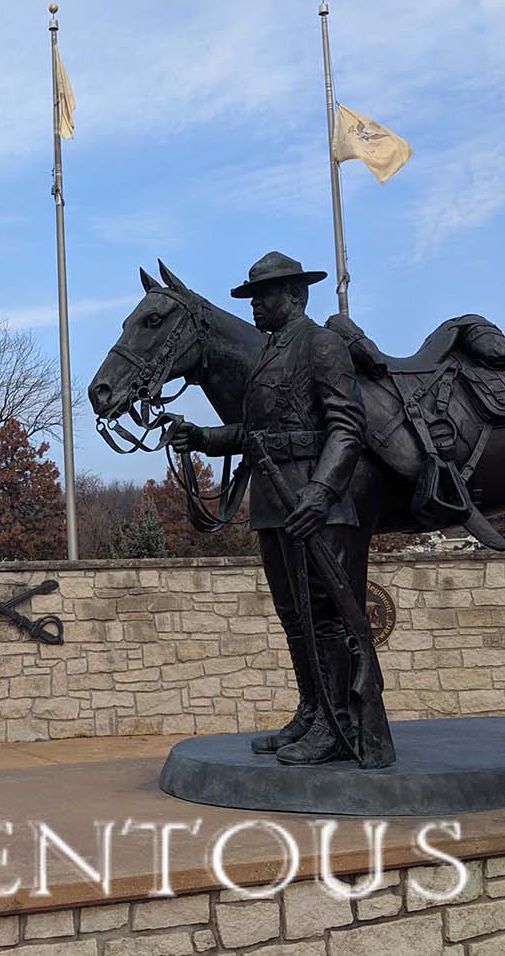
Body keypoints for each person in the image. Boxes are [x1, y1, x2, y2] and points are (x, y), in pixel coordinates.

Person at [170, 250, 375, 765]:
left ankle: (339, 725)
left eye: (264, 296)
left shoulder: (321, 345)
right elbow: (256, 432)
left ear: (296, 295)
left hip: (312, 501)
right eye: (253, 297)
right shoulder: (266, 353)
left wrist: (322, 492)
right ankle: (312, 711)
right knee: (293, 616)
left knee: (325, 618)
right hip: (272, 500)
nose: (256, 306)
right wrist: (205, 437)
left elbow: (347, 427)